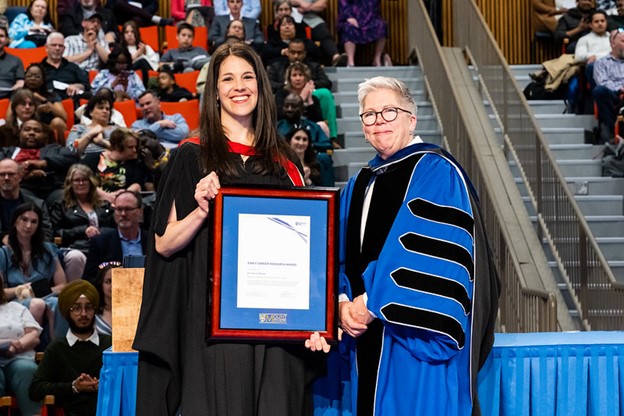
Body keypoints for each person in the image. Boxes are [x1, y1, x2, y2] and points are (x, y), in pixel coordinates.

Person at [132, 42, 329, 415]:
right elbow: (165, 244)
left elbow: (311, 250)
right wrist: (202, 209)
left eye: (247, 77)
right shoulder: (193, 154)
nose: (239, 86)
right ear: (216, 92)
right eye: (228, 79)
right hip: (219, 327)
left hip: (281, 329)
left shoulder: (283, 160)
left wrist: (315, 317)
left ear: (260, 86)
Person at [329, 76, 499, 415]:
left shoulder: (437, 171)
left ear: (412, 118)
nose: (379, 122)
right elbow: (339, 254)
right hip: (366, 339)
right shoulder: (358, 183)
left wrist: (371, 304)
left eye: (389, 112)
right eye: (370, 115)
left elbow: (425, 259)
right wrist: (341, 301)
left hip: (414, 342)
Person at [28, 279, 112, 416]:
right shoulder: (58, 348)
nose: (83, 314)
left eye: (88, 307)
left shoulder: (110, 345)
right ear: (67, 312)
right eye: (77, 308)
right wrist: (73, 387)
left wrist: (103, 385)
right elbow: (35, 389)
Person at [0, 202, 67, 334]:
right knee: (37, 304)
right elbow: (0, 292)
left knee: (57, 303)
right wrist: (21, 289)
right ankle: (28, 349)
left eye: (34, 222)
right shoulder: (3, 253)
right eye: (24, 220)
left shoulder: (48, 249)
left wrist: (36, 291)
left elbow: (62, 286)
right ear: (15, 222)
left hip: (45, 296)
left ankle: (58, 349)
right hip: (14, 301)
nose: (28, 226)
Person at [266, 38, 338, 141]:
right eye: (294, 75)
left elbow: (317, 120)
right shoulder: (282, 93)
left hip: (308, 127)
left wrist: (309, 99)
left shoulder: (312, 94)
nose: (298, 78)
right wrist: (301, 98)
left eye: (301, 75)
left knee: (322, 123)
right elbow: (281, 115)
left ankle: (328, 143)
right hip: (287, 126)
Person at [0, 119, 78, 202]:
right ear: (19, 133)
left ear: (44, 135)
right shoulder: (6, 152)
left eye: (37, 131)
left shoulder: (55, 149)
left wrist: (43, 163)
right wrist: (26, 176)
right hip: (21, 189)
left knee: (64, 198)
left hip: (53, 189)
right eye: (27, 129)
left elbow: (72, 158)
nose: (32, 133)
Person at [48, 164, 114, 255]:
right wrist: (83, 230)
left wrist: (99, 231)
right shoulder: (60, 205)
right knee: (75, 256)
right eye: (77, 180)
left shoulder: (104, 204)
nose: (81, 183)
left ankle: (133, 269)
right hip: (75, 249)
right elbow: (56, 233)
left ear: (91, 182)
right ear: (70, 183)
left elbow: (115, 228)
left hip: (103, 247)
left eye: (85, 180)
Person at [0, 273, 42, 416]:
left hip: (19, 357)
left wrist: (16, 345)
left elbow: (34, 335)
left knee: (27, 370)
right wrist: (6, 344)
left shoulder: (16, 307)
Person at [83, 190, 147, 282]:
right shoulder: (100, 243)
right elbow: (89, 280)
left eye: (128, 209)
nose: (123, 214)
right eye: (119, 209)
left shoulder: (153, 241)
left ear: (140, 212)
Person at [82, 127, 152, 194]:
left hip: (122, 201)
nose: (134, 150)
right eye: (130, 147)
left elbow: (136, 185)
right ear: (118, 147)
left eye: (135, 147)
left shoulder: (135, 163)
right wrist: (107, 196)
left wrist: (121, 197)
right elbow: (85, 183)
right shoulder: (93, 158)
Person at [0, 159, 53, 242]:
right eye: (2, 174)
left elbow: (46, 234)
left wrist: (24, 244)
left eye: (11, 174)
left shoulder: (37, 204)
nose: (6, 178)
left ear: (20, 176)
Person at [289, 0, 347, 66]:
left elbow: (322, 4)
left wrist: (308, 7)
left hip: (311, 18)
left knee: (324, 34)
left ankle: (336, 57)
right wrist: (300, 2)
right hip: (293, 18)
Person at [22, 64, 68, 143]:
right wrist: (37, 113)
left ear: (43, 80)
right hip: (26, 128)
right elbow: (13, 118)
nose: (33, 78)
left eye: (37, 77)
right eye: (29, 76)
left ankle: (61, 151)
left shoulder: (51, 96)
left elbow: (64, 117)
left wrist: (44, 100)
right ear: (25, 78)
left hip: (47, 129)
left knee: (58, 121)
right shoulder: (19, 95)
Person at [593, 28, 624, 143]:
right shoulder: (601, 63)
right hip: (614, 95)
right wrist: (620, 89)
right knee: (599, 90)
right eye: (623, 41)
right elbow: (603, 82)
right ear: (613, 43)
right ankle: (613, 129)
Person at [40, 32, 92, 102]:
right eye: (54, 45)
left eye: (60, 46)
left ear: (64, 49)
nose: (57, 48)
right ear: (46, 47)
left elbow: (86, 85)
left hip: (71, 97)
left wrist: (76, 86)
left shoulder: (73, 67)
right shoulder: (39, 68)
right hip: (48, 100)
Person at [66, 89, 116, 157]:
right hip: (84, 161)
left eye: (107, 109)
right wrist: (90, 135)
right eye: (101, 108)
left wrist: (102, 142)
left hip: (110, 162)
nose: (105, 111)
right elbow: (70, 150)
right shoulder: (79, 128)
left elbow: (124, 151)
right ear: (91, 112)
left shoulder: (116, 129)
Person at [338, 0, 388, 67]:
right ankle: (350, 62)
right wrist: (348, 16)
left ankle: (377, 59)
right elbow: (343, 2)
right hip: (353, 17)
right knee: (348, 27)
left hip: (371, 18)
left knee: (382, 25)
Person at [119, 20, 160, 87]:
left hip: (150, 72)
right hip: (127, 73)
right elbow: (122, 65)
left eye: (132, 32)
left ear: (137, 33)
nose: (129, 34)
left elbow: (155, 64)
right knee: (142, 61)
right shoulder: (121, 49)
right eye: (126, 32)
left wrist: (144, 53)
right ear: (123, 35)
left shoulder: (145, 47)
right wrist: (138, 54)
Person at [94, 260, 120, 335]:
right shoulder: (92, 312)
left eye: (117, 280)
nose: (113, 285)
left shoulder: (132, 310)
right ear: (100, 284)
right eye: (108, 281)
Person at [104, 0, 174, 27]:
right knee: (120, 3)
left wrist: (141, 12)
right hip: (121, 19)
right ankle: (156, 19)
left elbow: (154, 4)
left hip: (140, 19)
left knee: (137, 19)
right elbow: (111, 5)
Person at [0, 25, 25, 100]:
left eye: (1, 36)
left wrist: (13, 90)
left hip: (9, 97)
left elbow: (20, 82)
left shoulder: (16, 60)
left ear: (7, 40)